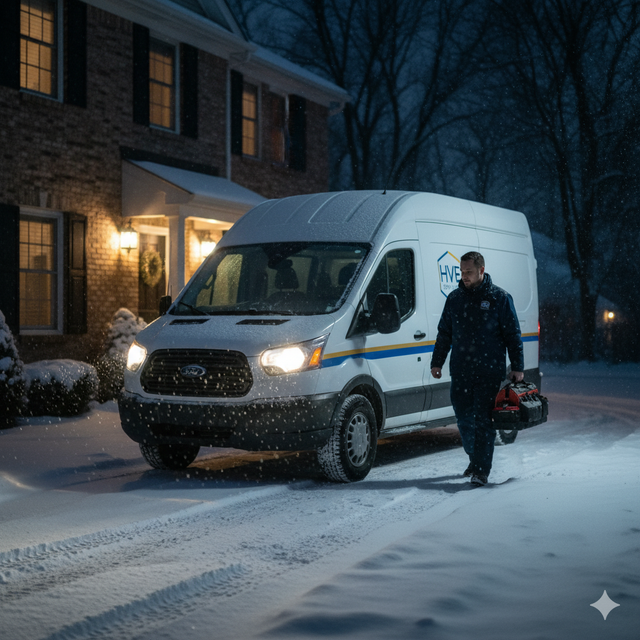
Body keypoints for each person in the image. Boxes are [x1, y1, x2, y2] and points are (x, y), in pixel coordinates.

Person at [430, 251, 524, 486]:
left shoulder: (499, 298)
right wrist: (437, 361)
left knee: (483, 420)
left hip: (488, 371)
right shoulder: (454, 299)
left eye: (469, 272)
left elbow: (513, 335)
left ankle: (481, 470)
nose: (464, 277)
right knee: (463, 419)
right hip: (461, 370)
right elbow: (445, 333)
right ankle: (475, 458)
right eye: (461, 272)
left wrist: (517, 367)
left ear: (482, 270)